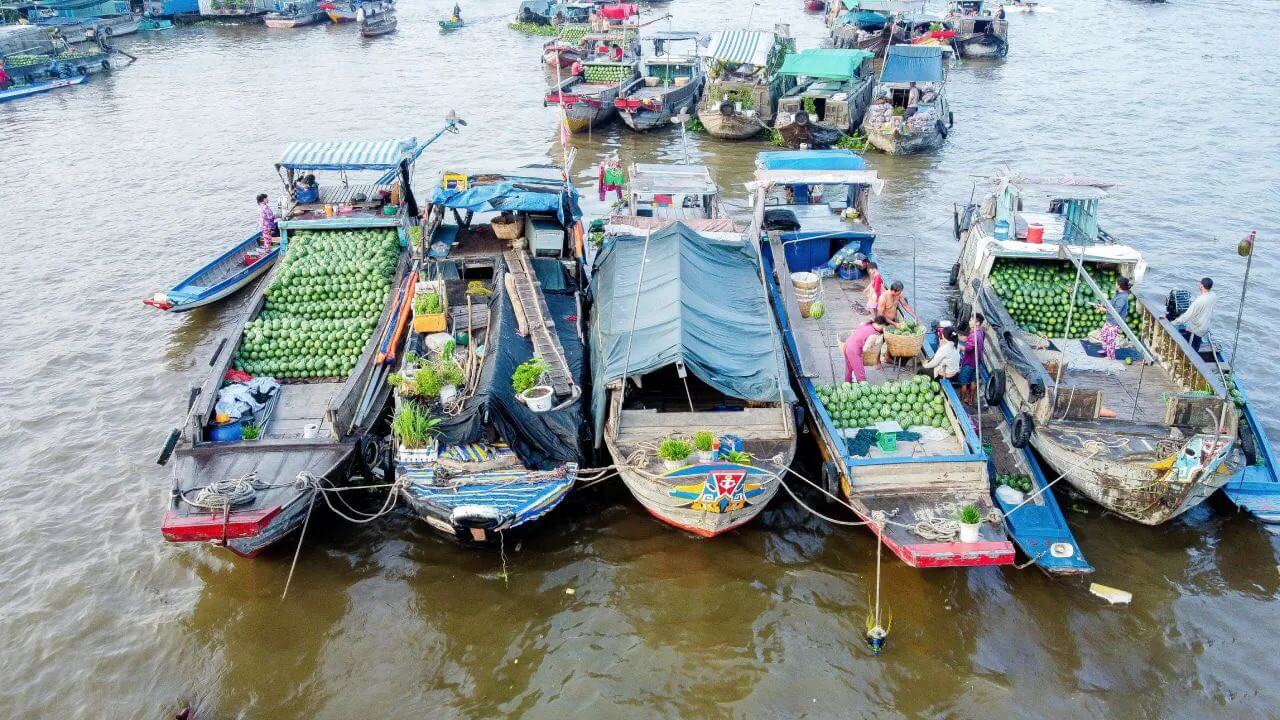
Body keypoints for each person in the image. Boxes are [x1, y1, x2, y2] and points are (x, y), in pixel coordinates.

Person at [1173, 277, 1216, 351]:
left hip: (1195, 330)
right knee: (1197, 344)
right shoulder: (1213, 295)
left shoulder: (1198, 301)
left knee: (1191, 349)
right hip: (1204, 327)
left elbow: (1186, 317)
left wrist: (1173, 323)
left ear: (1201, 286)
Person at [845, 316, 889, 383]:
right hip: (853, 350)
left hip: (847, 344)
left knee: (849, 367)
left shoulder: (866, 324)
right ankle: (863, 386)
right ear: (881, 325)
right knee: (860, 371)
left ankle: (847, 384)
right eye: (883, 326)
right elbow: (865, 349)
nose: (883, 328)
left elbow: (860, 328)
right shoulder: (873, 334)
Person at [1096, 277, 1131, 360]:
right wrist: (1103, 306)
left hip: (1115, 322)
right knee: (1103, 335)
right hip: (1110, 320)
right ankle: (1105, 350)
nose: (1115, 284)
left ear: (1119, 286)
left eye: (1116, 283)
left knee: (1110, 341)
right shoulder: (1118, 293)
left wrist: (1103, 309)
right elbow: (1112, 304)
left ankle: (1111, 357)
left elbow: (1116, 311)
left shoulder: (1122, 298)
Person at [958, 313, 985, 403]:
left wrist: (956, 344)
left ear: (977, 323)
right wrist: (957, 337)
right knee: (973, 380)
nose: (969, 321)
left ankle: (962, 401)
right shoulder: (979, 330)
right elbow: (967, 339)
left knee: (963, 382)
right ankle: (971, 400)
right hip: (976, 361)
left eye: (971, 320)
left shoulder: (974, 335)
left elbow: (968, 349)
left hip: (969, 362)